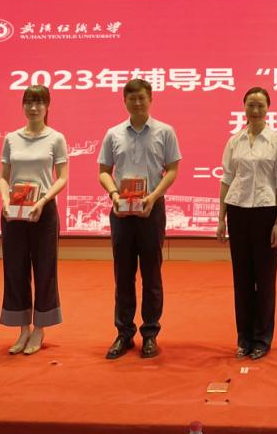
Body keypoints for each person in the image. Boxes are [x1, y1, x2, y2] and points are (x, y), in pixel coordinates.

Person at [98, 78, 181, 360]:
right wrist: (114, 194)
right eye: (132, 98)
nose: (137, 103)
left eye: (142, 98)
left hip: (151, 209)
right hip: (121, 211)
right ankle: (124, 333)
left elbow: (172, 169)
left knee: (151, 274)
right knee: (123, 275)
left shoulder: (165, 132)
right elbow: (104, 171)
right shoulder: (113, 134)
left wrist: (154, 196)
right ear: (125, 101)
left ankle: (150, 333)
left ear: (150, 99)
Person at [216, 87, 277, 360]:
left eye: (260, 105)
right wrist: (221, 218)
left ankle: (262, 338)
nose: (255, 110)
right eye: (251, 105)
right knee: (242, 279)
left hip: (265, 213)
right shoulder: (234, 141)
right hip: (237, 212)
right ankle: (244, 338)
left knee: (265, 279)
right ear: (244, 107)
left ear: (268, 108)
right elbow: (227, 179)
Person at [0, 85, 68, 355]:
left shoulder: (56, 138)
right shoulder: (11, 138)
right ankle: (23, 329)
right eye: (28, 102)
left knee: (45, 270)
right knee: (15, 270)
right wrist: (5, 200)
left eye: (39, 102)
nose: (33, 107)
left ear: (47, 106)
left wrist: (42, 201)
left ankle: (39, 328)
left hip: (43, 211)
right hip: (14, 212)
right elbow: (3, 177)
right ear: (23, 106)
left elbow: (62, 177)